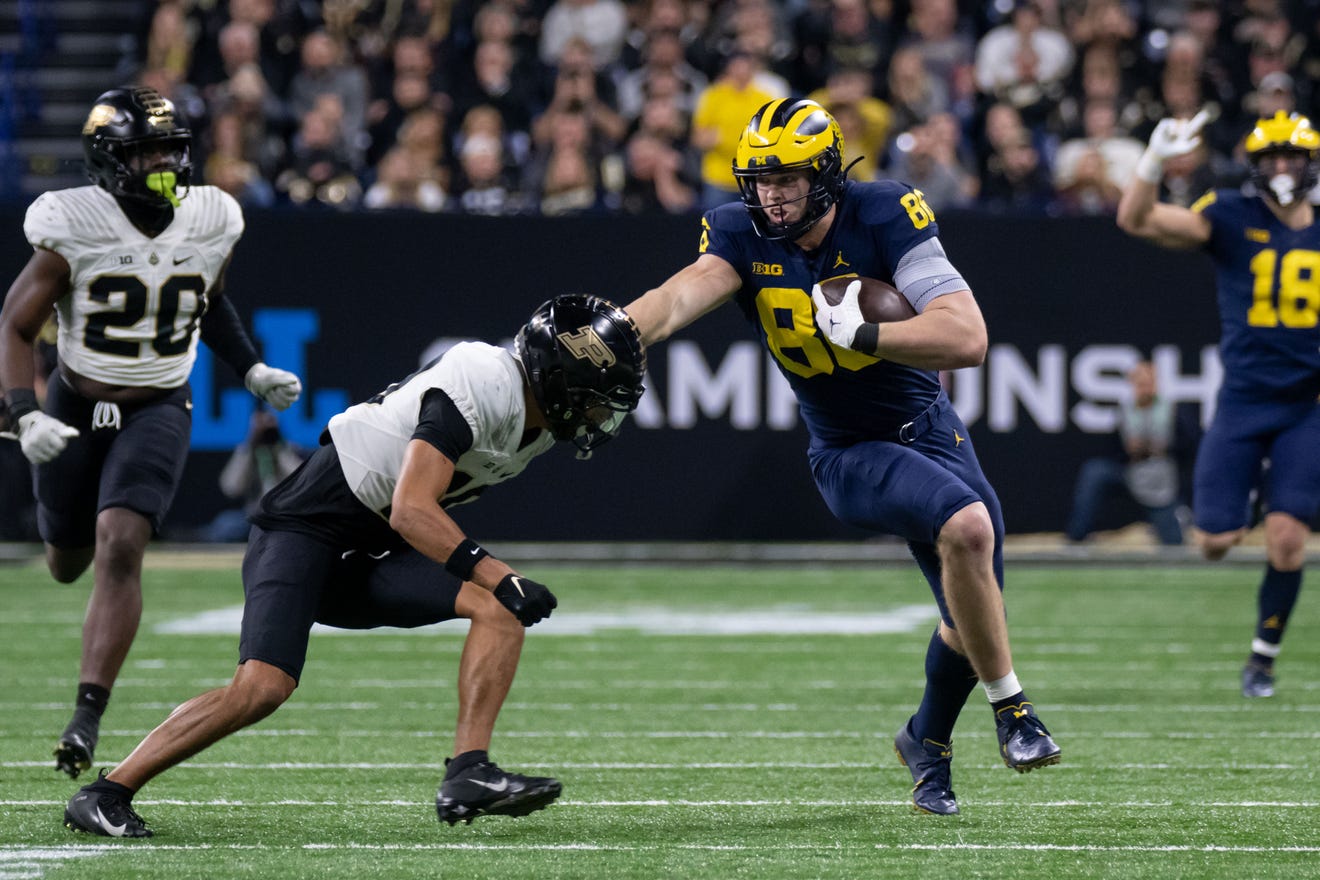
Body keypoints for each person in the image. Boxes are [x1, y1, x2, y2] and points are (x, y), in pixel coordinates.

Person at [61, 294, 648, 837]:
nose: (599, 412)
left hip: (373, 545)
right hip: (305, 530)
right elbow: (411, 508)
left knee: (498, 608)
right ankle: (106, 792)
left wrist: (696, 273)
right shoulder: (484, 379)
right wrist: (496, 571)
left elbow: (659, 313)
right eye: (595, 395)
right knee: (262, 687)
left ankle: (469, 771)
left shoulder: (537, 417)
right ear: (558, 378)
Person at [624, 98, 1060, 816]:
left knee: (971, 611)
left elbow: (967, 338)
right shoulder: (737, 232)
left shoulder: (884, 212)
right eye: (761, 180)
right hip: (847, 451)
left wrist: (869, 335)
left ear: (826, 173)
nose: (771, 195)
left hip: (932, 429)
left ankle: (926, 744)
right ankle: (1014, 713)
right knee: (968, 526)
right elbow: (677, 299)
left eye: (787, 179)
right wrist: (616, 330)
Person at [0, 86, 303, 779]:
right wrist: (24, 412)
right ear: (109, 162)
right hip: (77, 400)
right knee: (65, 561)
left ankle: (86, 716)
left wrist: (251, 369)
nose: (165, 164)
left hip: (160, 403)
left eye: (171, 149)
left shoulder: (211, 217)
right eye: (147, 152)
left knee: (121, 540)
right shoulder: (74, 223)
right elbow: (15, 325)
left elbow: (210, 302)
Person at [1117, 109, 1320, 698]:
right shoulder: (1232, 214)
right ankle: (1251, 498)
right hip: (1243, 401)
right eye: (1270, 157)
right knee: (1213, 542)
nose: (1281, 167)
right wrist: (1153, 162)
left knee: (1287, 539)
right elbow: (1135, 218)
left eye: (1292, 156)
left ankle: (1263, 658)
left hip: (1307, 406)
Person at [1064, 360, 1194, 547]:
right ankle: (1077, 537)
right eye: (1140, 384)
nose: (1145, 389)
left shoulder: (1173, 411)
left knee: (1173, 543)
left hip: (1160, 480)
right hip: (1130, 471)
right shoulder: (1125, 411)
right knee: (1095, 472)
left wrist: (1164, 448)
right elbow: (1111, 450)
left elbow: (1189, 447)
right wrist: (1130, 451)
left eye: (1149, 383)